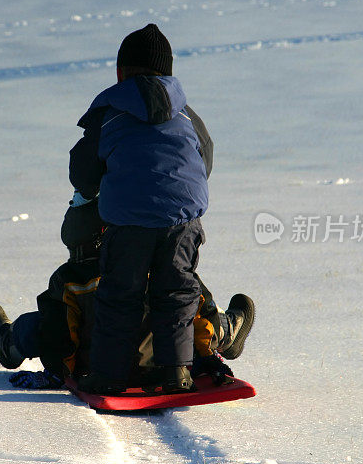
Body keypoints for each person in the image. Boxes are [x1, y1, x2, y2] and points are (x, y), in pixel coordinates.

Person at [68, 24, 243, 394]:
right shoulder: (187, 115)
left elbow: (83, 171)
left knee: (120, 295)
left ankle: (110, 376)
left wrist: (95, 189)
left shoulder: (109, 113)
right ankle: (176, 373)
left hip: (128, 223)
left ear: (120, 72)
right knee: (176, 295)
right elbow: (204, 158)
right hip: (182, 221)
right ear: (169, 73)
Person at [0, 198, 255, 392]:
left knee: (40, 324)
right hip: (166, 364)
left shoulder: (70, 279)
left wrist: (62, 373)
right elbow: (195, 310)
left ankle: (10, 343)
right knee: (190, 304)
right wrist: (205, 357)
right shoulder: (157, 267)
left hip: (96, 370)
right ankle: (227, 334)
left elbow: (59, 336)